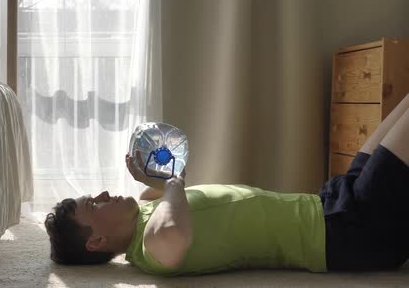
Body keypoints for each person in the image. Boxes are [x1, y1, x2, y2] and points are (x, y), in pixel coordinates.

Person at [44, 94, 409, 276]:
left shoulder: (146, 212)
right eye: (94, 205)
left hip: (329, 202)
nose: (105, 194)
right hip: (348, 231)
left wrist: (149, 175)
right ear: (96, 242)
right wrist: (172, 182)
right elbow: (174, 236)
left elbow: (155, 191)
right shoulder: (151, 245)